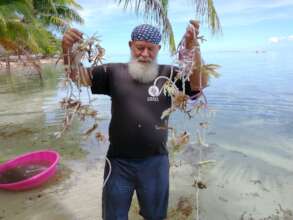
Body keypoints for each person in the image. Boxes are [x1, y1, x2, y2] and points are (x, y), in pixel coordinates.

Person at [62, 21, 207, 220]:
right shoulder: (113, 72)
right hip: (118, 162)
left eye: (151, 49)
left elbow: (198, 86)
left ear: (159, 49)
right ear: (131, 46)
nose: (145, 54)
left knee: (155, 216)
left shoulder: (169, 74)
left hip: (155, 162)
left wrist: (193, 48)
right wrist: (67, 50)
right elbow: (79, 78)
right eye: (140, 48)